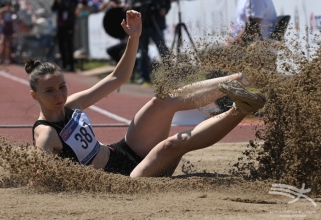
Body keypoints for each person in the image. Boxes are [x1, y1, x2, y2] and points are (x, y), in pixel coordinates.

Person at [26, 10, 266, 177]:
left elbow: (117, 78)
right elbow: (43, 176)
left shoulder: (70, 105)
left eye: (62, 87)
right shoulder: (46, 135)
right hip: (126, 178)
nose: (59, 95)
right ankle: (241, 108)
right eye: (49, 91)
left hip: (122, 151)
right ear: (34, 95)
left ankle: (242, 79)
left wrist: (134, 38)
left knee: (163, 100)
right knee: (170, 146)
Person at [127, 0, 171, 85]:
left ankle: (170, 76)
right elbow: (132, 4)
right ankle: (144, 76)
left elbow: (167, 3)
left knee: (162, 50)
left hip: (157, 22)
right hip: (143, 24)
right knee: (142, 52)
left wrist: (165, 8)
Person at [52, 0, 78, 72]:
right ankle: (64, 64)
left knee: (69, 45)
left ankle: (71, 65)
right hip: (60, 26)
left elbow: (71, 8)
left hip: (69, 26)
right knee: (61, 45)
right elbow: (53, 8)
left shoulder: (71, 1)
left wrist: (61, 2)